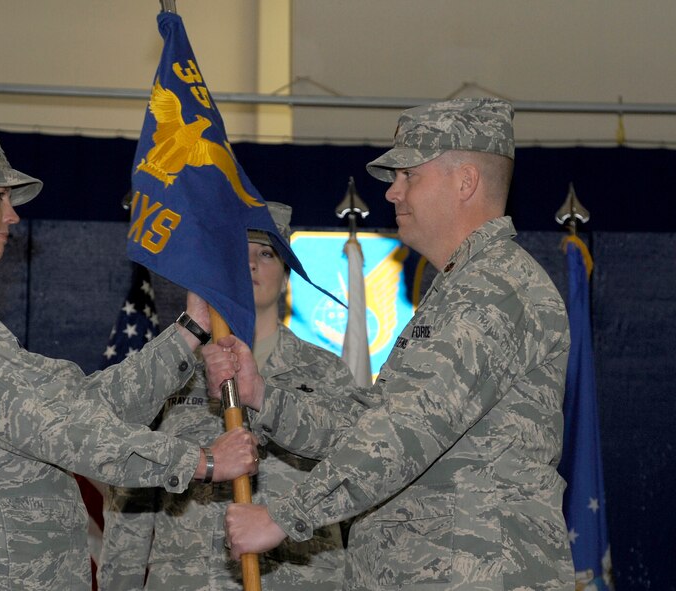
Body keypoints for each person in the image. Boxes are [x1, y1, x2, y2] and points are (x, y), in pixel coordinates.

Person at [203, 99, 575, 590]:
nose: (393, 193)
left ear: (465, 182)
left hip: (476, 572)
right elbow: (372, 421)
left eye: (408, 176)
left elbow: (407, 428)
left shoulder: (495, 291)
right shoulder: (458, 290)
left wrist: (283, 518)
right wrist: (265, 398)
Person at [0, 127, 259, 590]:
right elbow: (58, 428)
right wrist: (202, 462)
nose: (12, 214)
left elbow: (82, 404)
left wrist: (189, 330)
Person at [98, 202, 353, 591]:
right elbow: (131, 497)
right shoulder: (173, 370)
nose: (250, 264)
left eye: (266, 254)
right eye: (237, 252)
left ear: (286, 274)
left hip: (304, 578)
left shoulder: (328, 372)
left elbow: (358, 476)